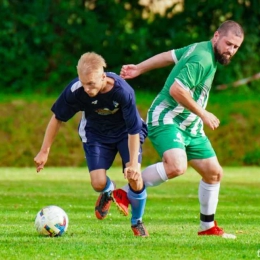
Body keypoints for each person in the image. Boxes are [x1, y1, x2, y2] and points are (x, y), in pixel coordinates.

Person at [120, 20, 244, 239]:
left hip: (189, 124)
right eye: (228, 44)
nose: (231, 50)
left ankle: (207, 227)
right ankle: (123, 191)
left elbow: (169, 56)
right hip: (167, 117)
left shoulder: (202, 48)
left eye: (236, 47)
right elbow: (178, 90)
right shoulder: (203, 58)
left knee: (213, 173)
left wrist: (139, 67)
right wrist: (204, 113)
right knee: (177, 166)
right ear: (216, 36)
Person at [34, 52, 149, 237]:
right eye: (83, 82)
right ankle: (108, 191)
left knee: (134, 177)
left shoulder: (123, 91)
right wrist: (44, 151)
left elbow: (134, 130)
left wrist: (134, 165)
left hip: (125, 133)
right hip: (96, 134)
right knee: (97, 183)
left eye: (91, 84)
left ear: (103, 76)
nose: (86, 88)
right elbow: (57, 118)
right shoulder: (76, 90)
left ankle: (137, 222)